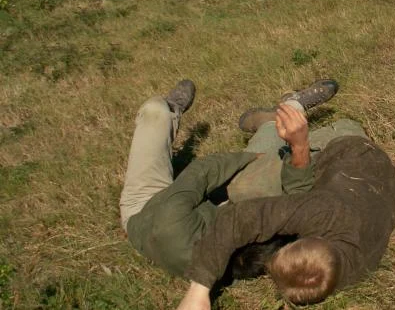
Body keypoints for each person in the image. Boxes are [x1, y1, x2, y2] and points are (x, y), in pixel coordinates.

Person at [177, 91, 395, 308]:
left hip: (363, 166)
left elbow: (239, 217)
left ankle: (275, 119)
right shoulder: (324, 214)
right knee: (264, 173)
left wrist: (199, 287)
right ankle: (287, 111)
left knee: (244, 183)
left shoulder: (351, 270)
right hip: (348, 146)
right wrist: (198, 290)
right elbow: (239, 217)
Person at [119, 78, 339, 280]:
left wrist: (251, 159)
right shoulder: (236, 255)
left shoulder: (175, 223)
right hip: (194, 213)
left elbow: (202, 170)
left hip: (143, 203)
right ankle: (279, 116)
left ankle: (175, 109)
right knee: (264, 180)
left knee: (154, 111)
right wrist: (283, 154)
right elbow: (292, 208)